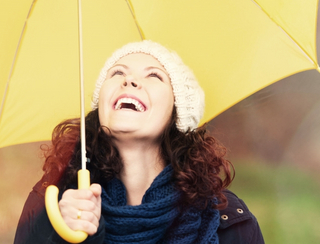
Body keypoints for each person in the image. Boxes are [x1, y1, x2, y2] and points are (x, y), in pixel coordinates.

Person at [14, 40, 264, 243]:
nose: (129, 81)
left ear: (179, 113)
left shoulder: (229, 220)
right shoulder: (51, 207)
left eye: (154, 76)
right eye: (118, 72)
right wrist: (61, 237)